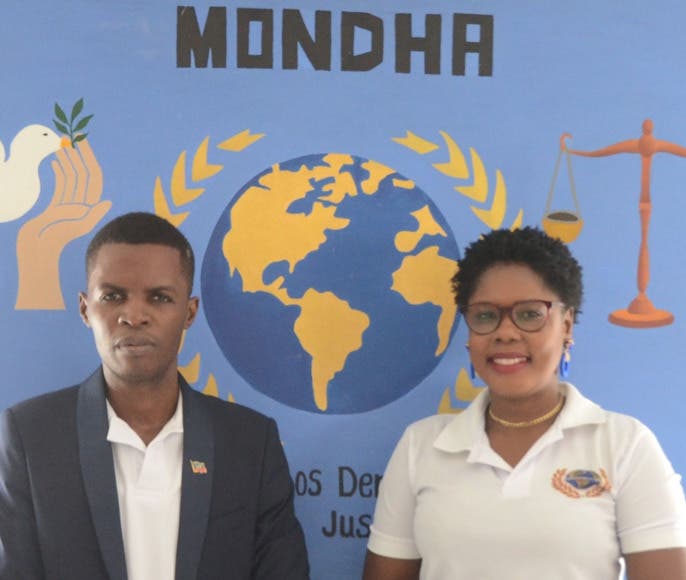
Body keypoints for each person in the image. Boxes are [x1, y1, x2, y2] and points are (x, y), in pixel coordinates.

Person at [363, 226, 686, 579]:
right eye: (485, 315)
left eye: (530, 314)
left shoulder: (624, 445)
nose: (505, 332)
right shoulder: (421, 445)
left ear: (566, 325)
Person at [0, 212, 310, 580]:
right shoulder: (32, 436)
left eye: (160, 298)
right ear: (85, 309)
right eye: (113, 296)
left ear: (189, 313)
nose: (134, 316)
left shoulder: (250, 443)